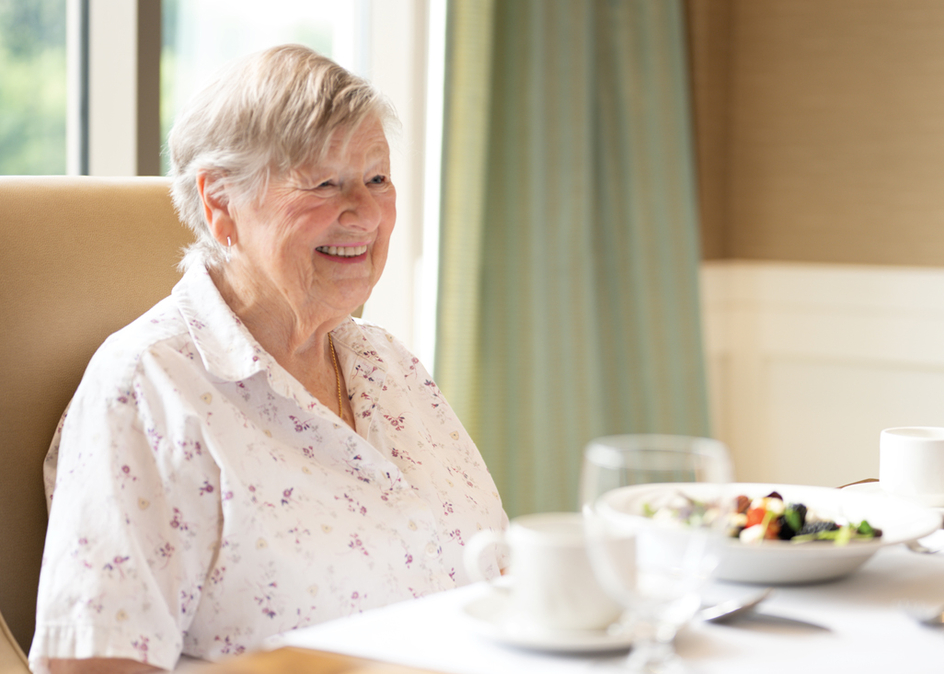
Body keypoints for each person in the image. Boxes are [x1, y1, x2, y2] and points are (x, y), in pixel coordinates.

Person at [29, 44, 508, 674]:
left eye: (377, 179)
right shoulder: (148, 387)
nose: (363, 213)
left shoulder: (389, 365)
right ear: (220, 204)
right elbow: (93, 666)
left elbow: (504, 579)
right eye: (323, 183)